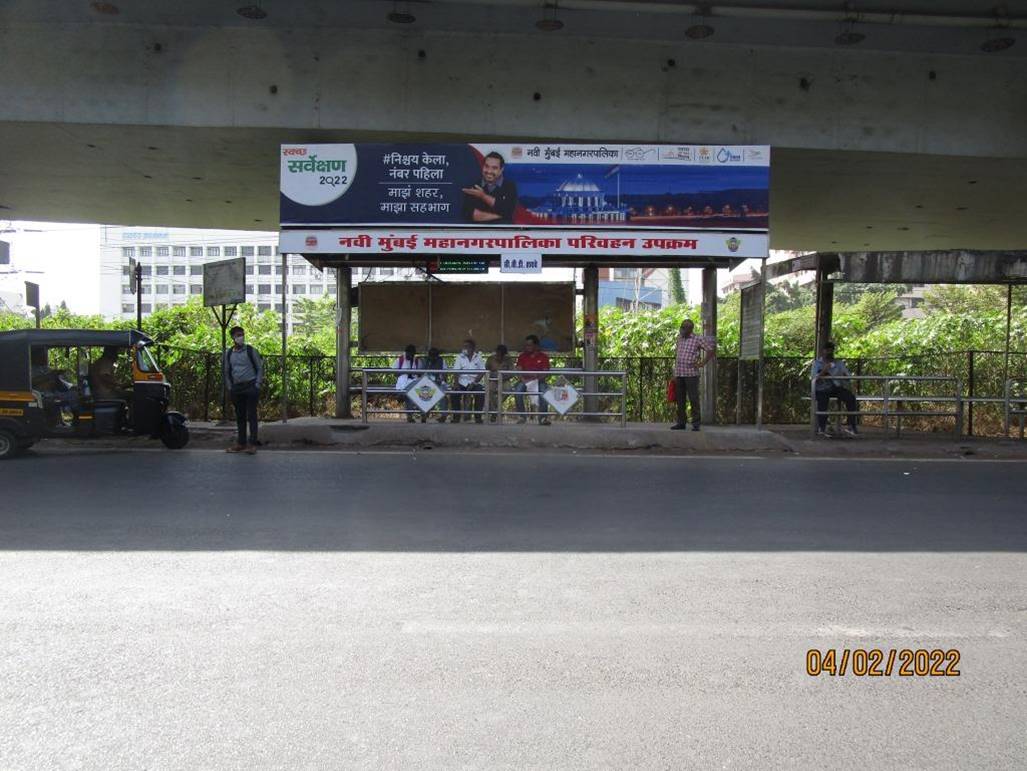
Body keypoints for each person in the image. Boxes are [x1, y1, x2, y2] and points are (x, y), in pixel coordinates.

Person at [223, 325, 264, 454]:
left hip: (251, 386)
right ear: (233, 338)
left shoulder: (251, 351)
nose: (241, 337)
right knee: (240, 416)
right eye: (238, 335)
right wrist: (230, 387)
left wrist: (257, 384)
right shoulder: (229, 353)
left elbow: (259, 368)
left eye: (242, 334)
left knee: (251, 415)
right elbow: (226, 371)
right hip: (237, 388)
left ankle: (252, 444)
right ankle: (241, 443)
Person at [671, 319, 715, 432]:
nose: (682, 329)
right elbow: (677, 356)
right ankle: (681, 422)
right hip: (680, 373)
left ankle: (696, 423)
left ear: (690, 329)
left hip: (691, 374)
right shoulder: (679, 338)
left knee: (693, 399)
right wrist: (675, 373)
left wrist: (702, 363)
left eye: (684, 327)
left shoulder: (697, 339)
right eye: (681, 327)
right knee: (680, 400)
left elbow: (711, 350)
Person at [812, 341, 859, 437]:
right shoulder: (817, 363)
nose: (829, 353)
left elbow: (848, 376)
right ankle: (822, 427)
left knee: (850, 398)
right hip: (822, 389)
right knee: (822, 401)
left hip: (835, 387)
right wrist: (824, 370)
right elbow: (814, 378)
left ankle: (851, 426)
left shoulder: (838, 363)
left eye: (831, 350)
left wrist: (845, 376)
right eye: (827, 350)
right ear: (823, 351)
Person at [461, 151, 518, 224]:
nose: (489, 171)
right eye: (486, 166)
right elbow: (469, 214)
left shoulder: (510, 187)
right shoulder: (473, 186)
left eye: (494, 168)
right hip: (477, 233)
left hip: (503, 233)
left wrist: (483, 196)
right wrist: (501, 216)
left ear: (501, 170)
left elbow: (508, 211)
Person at [513, 334, 551, 425]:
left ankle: (543, 418)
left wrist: (536, 379)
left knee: (544, 392)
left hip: (539, 381)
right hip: (525, 381)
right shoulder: (522, 356)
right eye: (526, 345)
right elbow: (518, 370)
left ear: (536, 346)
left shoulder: (543, 357)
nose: (527, 347)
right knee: (518, 391)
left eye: (529, 345)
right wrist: (523, 380)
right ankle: (522, 417)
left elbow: (545, 372)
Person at [450, 338, 485, 423]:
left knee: (480, 393)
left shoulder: (478, 357)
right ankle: (456, 417)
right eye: (464, 347)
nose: (464, 348)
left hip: (474, 382)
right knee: (454, 394)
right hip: (462, 382)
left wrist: (474, 382)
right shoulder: (460, 357)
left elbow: (482, 372)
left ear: (472, 348)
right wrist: (456, 384)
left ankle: (478, 417)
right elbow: (456, 372)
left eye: (467, 347)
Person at [485, 343, 514, 422]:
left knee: (508, 390)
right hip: (493, 379)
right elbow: (486, 370)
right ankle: (496, 410)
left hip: (505, 379)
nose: (499, 356)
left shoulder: (508, 360)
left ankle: (495, 410)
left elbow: (512, 372)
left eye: (501, 355)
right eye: (498, 354)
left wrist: (504, 376)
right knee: (489, 390)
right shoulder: (490, 359)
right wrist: (493, 375)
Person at [419, 346, 448, 423]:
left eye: (434, 355)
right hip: (427, 383)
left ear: (437, 355)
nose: (432, 357)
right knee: (424, 392)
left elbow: (445, 374)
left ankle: (443, 416)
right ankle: (424, 414)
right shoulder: (425, 361)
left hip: (439, 382)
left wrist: (440, 379)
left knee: (442, 393)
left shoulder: (441, 361)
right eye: (431, 355)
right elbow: (421, 374)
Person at [395, 343, 419, 423]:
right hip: (402, 382)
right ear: (406, 353)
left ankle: (402, 395)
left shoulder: (417, 360)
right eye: (409, 354)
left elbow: (420, 373)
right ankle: (409, 416)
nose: (411, 356)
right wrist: (404, 373)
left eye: (413, 354)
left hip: (413, 383)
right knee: (409, 395)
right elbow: (394, 372)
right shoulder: (400, 359)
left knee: (410, 393)